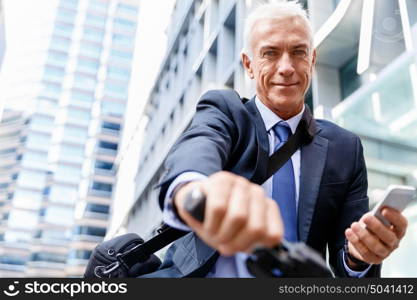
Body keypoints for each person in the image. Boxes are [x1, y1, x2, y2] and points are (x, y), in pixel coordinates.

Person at [142, 1, 408, 278]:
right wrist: (196, 191)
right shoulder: (226, 112)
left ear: (312, 60)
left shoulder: (345, 148)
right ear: (249, 65)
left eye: (298, 52)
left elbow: (347, 261)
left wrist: (359, 256)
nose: (286, 67)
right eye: (270, 53)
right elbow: (198, 147)